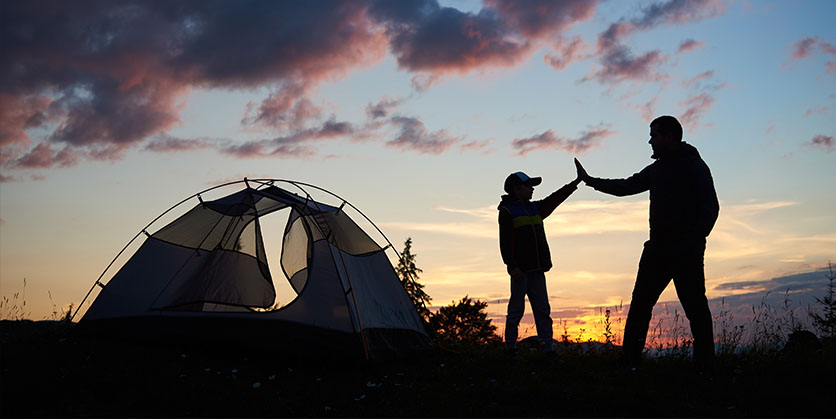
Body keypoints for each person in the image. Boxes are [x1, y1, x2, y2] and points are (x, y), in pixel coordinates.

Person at [574, 115, 719, 370]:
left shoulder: (695, 166)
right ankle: (629, 362)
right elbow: (627, 186)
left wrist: (692, 242)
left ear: (669, 136)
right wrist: (591, 181)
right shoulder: (657, 169)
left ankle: (705, 367)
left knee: (696, 309)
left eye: (654, 135)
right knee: (640, 306)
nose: (649, 141)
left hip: (686, 252)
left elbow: (711, 208)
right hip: (657, 250)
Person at [498, 170, 581, 359]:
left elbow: (555, 199)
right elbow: (505, 243)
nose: (532, 189)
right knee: (516, 311)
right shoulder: (507, 212)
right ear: (516, 189)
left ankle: (548, 349)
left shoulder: (536, 208)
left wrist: (574, 183)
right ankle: (510, 348)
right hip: (520, 271)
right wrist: (512, 267)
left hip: (537, 271)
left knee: (543, 311)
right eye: (528, 186)